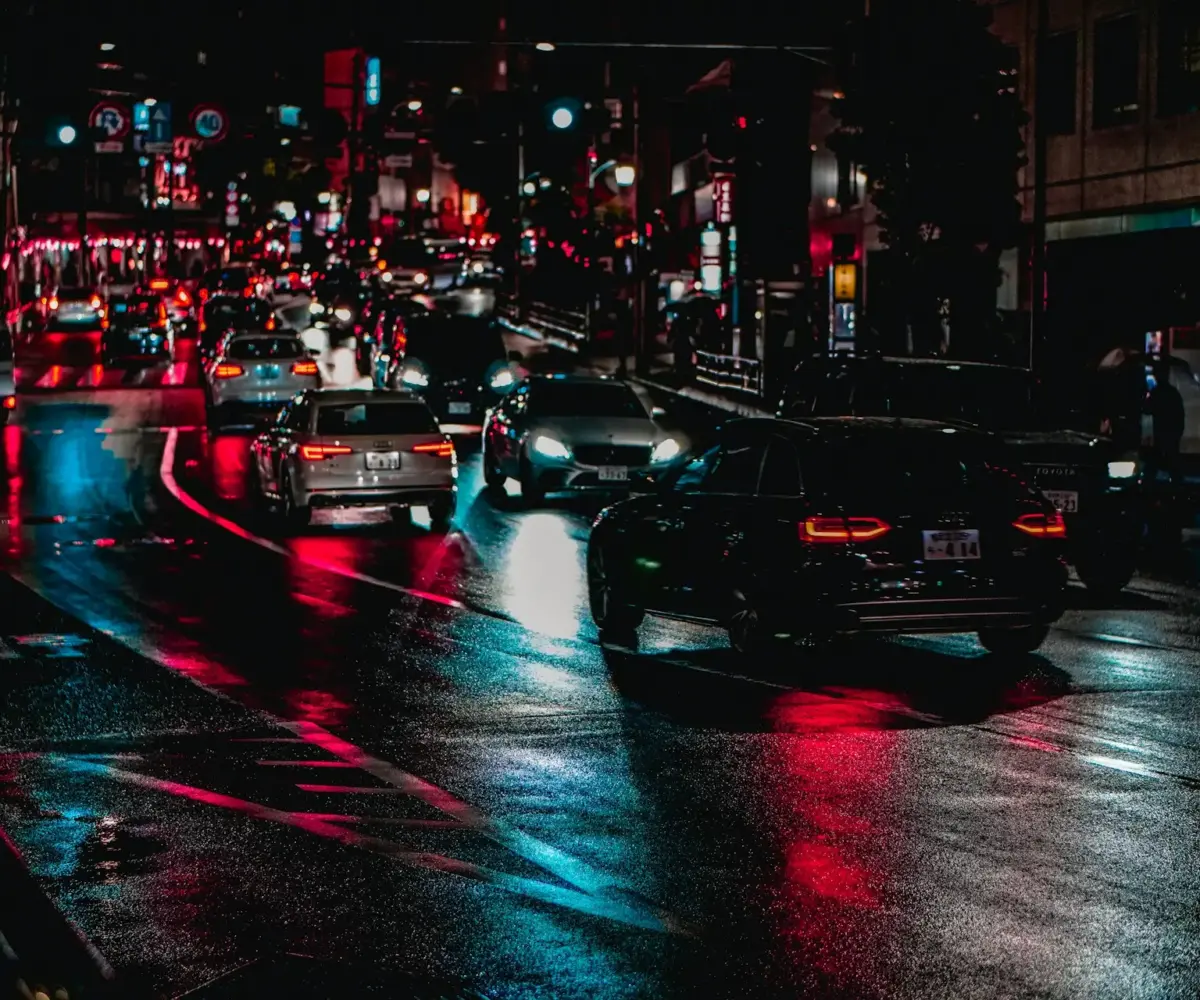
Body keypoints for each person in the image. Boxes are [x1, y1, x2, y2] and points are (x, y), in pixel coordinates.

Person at [1149, 361, 1185, 484]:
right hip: (1172, 431)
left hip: (1161, 431)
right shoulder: (1173, 392)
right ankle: (1177, 484)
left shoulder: (1156, 392)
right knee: (1172, 459)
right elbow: (1180, 414)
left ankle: (1147, 485)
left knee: (1156, 459)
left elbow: (1147, 409)